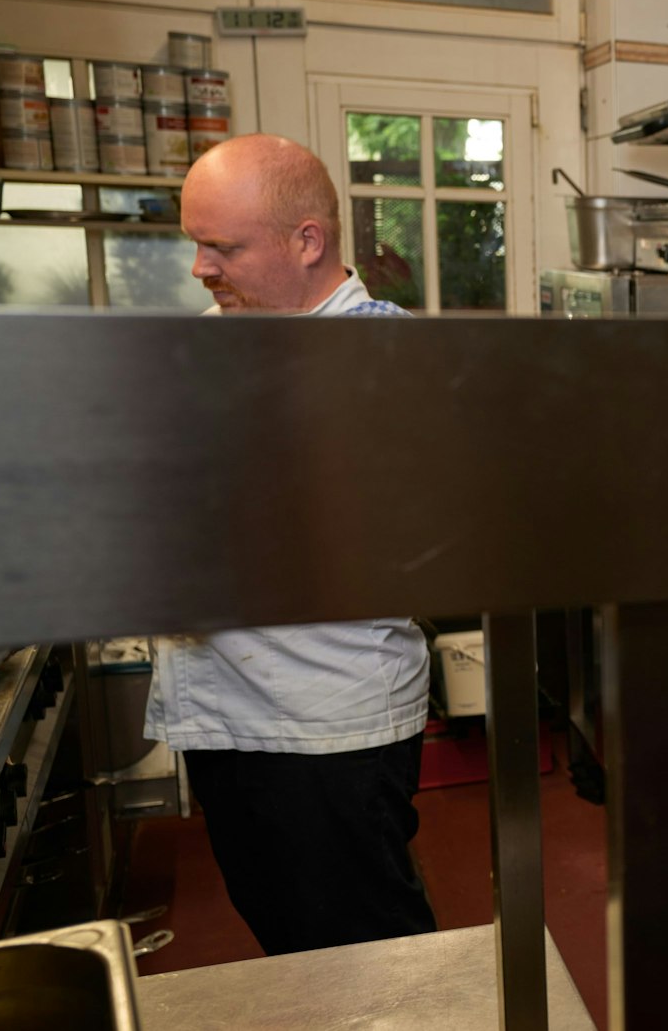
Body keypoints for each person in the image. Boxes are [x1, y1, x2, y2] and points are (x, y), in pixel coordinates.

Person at [144, 133, 436, 955]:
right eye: (194, 244)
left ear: (307, 241)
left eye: (222, 247)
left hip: (321, 725)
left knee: (371, 960)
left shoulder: (379, 356)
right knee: (294, 947)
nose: (201, 268)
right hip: (229, 713)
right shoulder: (222, 331)